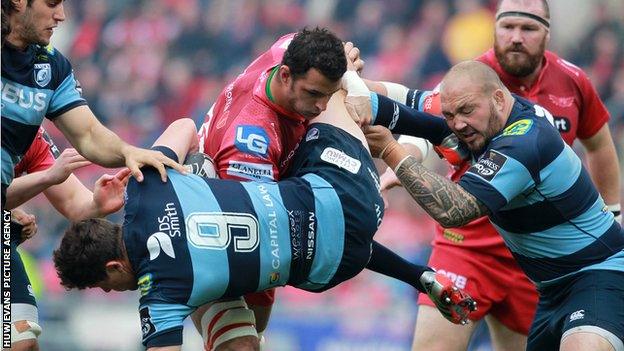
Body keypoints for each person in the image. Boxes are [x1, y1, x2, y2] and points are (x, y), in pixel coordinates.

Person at [52, 101, 477, 351]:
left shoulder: (158, 299)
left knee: (232, 307)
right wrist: (151, 160)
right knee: (339, 89)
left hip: (331, 266)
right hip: (349, 192)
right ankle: (444, 132)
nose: (113, 292)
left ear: (111, 268)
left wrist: (420, 277)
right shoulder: (147, 185)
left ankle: (413, 156)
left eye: (106, 286)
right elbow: (184, 126)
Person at [361, 1, 621, 349]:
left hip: (558, 269)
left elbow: (454, 208)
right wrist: (348, 81)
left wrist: (395, 156)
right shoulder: (470, 84)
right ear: (493, 29)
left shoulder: (534, 127)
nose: (516, 38)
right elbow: (413, 107)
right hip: (476, 251)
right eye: (507, 27)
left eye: (527, 29)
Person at [1, 1, 184, 349]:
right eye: (52, 3)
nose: (62, 15)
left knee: (20, 341)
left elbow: (87, 135)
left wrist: (126, 154)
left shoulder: (49, 68)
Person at [195, 27, 365, 349]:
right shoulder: (251, 143)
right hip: (221, 242)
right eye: (313, 94)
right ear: (285, 76)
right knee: (246, 340)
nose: (321, 106)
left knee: (253, 336)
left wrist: (352, 83)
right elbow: (261, 235)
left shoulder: (290, 49)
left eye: (327, 94)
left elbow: (342, 51)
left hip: (248, 215)